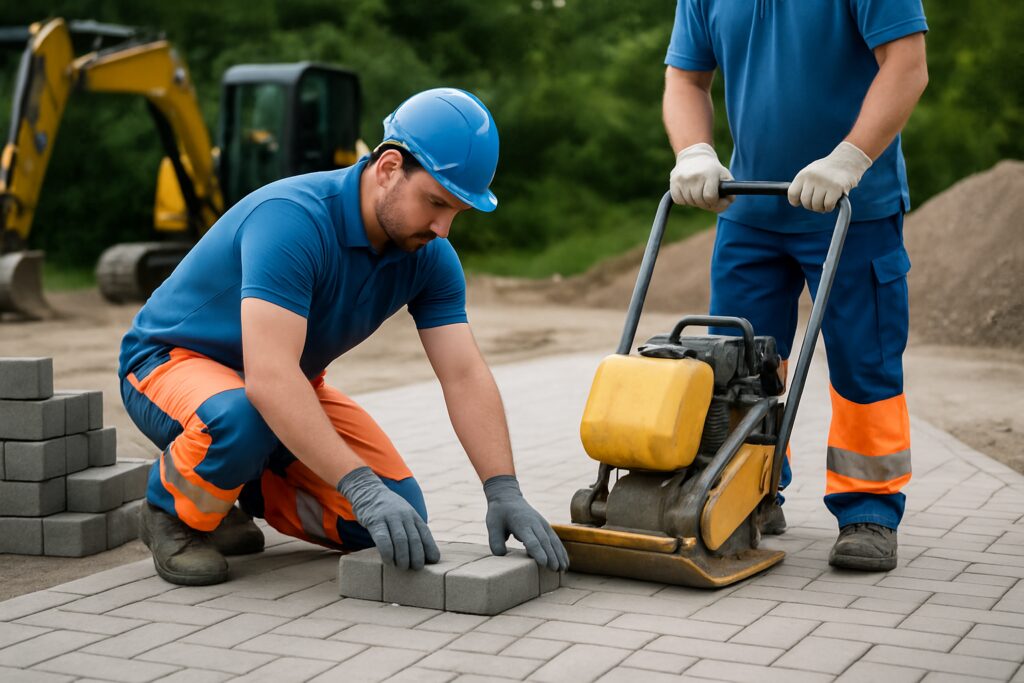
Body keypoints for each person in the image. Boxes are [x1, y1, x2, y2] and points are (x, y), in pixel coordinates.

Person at [118, 88, 569, 586]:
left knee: (391, 517)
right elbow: (268, 379)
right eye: (436, 203)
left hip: (282, 383)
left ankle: (225, 492)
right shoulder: (293, 220)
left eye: (457, 212)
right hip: (169, 364)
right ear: (389, 168)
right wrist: (357, 483)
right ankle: (172, 514)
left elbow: (463, 374)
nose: (443, 229)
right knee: (247, 419)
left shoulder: (430, 257)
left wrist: (502, 488)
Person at [664, 1, 928, 570]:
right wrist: (693, 150)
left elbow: (907, 64)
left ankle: (870, 510)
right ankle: (749, 490)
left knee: (865, 363)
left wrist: (849, 158)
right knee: (732, 366)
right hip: (752, 209)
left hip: (854, 207)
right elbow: (686, 77)